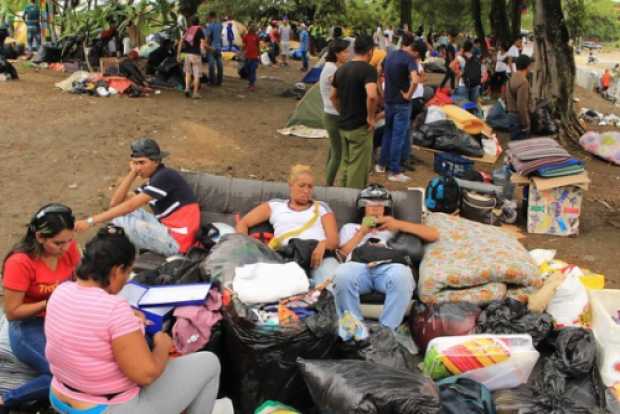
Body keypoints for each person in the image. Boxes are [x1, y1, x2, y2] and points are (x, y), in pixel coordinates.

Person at [45, 225, 222, 414]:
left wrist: (126, 315)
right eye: (127, 273)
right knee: (209, 363)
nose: (127, 280)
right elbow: (146, 374)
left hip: (60, 395)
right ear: (116, 271)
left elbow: (86, 320)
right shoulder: (114, 309)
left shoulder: (60, 292)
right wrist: (163, 344)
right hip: (104, 407)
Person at [1, 204, 79, 411]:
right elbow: (12, 312)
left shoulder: (69, 249)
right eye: (58, 243)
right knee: (63, 375)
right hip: (28, 324)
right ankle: (7, 400)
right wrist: (52, 300)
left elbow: (80, 280)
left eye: (69, 240)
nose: (65, 247)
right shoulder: (20, 262)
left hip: (62, 317)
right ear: (40, 237)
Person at [333, 185, 438, 330]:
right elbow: (341, 255)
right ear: (363, 207)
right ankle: (353, 331)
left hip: (388, 267)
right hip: (357, 267)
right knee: (341, 275)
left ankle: (386, 332)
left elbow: (433, 234)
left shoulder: (394, 227)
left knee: (403, 276)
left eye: (380, 205)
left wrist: (398, 224)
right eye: (371, 205)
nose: (376, 208)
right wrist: (362, 232)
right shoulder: (350, 227)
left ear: (386, 208)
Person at [74, 138, 200, 257]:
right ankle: (109, 253)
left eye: (142, 163)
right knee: (120, 214)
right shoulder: (154, 180)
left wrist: (90, 222)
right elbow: (115, 203)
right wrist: (133, 173)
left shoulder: (165, 176)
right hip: (167, 232)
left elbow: (130, 206)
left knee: (120, 222)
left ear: (156, 161)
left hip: (178, 242)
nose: (138, 167)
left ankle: (98, 254)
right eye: (135, 163)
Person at [235, 165, 340, 285]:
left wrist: (324, 244)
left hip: (320, 257)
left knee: (332, 286)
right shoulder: (275, 206)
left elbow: (334, 240)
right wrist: (246, 249)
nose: (306, 190)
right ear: (291, 185)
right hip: (288, 258)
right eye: (302, 185)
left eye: (310, 187)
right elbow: (243, 223)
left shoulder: (321, 207)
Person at [330, 34, 379, 189]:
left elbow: (333, 97)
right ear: (370, 51)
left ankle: (342, 196)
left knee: (346, 164)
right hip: (360, 127)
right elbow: (372, 95)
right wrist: (371, 118)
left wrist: (342, 111)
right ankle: (352, 202)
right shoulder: (369, 70)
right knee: (357, 168)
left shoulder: (341, 69)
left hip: (343, 125)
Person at [375, 32, 420, 183]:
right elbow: (414, 80)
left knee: (388, 132)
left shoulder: (390, 55)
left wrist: (381, 92)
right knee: (398, 137)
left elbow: (378, 72)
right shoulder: (410, 59)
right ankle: (394, 170)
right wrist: (408, 94)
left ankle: (381, 164)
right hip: (402, 103)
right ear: (414, 48)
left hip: (388, 101)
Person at [320, 39, 351, 186]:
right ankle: (328, 185)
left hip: (330, 113)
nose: (348, 54)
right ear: (337, 54)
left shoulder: (330, 66)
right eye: (345, 52)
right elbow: (336, 94)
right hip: (333, 114)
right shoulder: (332, 70)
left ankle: (327, 180)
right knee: (338, 154)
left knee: (333, 150)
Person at [503, 54, 533, 140]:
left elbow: (505, 99)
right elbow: (521, 106)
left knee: (515, 147)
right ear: (527, 66)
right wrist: (526, 123)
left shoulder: (510, 79)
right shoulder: (523, 82)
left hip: (510, 116)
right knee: (522, 147)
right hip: (518, 119)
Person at [178, 16, 205, 99]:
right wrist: (203, 52)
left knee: (188, 73)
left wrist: (178, 54)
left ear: (191, 22)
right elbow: (202, 43)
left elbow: (181, 42)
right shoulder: (199, 30)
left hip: (187, 55)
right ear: (198, 22)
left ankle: (187, 89)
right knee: (196, 75)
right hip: (196, 55)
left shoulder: (187, 30)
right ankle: (195, 93)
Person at [459, 39, 483, 104]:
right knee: (474, 103)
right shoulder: (475, 57)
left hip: (464, 83)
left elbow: (452, 67)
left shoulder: (460, 57)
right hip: (475, 83)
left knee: (465, 104)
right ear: (471, 48)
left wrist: (460, 74)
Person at [204, 12, 223, 86]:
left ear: (210, 17)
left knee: (211, 65)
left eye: (208, 17)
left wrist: (206, 46)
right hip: (218, 47)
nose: (207, 18)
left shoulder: (210, 26)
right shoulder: (220, 25)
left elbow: (207, 38)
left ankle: (212, 81)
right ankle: (219, 81)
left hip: (211, 48)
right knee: (219, 64)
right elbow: (219, 36)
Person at [242, 24, 261, 91]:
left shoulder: (256, 37)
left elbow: (258, 46)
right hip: (247, 56)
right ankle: (250, 83)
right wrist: (241, 53)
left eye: (255, 28)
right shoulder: (246, 36)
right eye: (253, 28)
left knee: (252, 70)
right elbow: (244, 45)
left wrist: (259, 55)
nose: (254, 30)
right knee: (248, 69)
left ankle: (252, 84)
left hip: (254, 57)